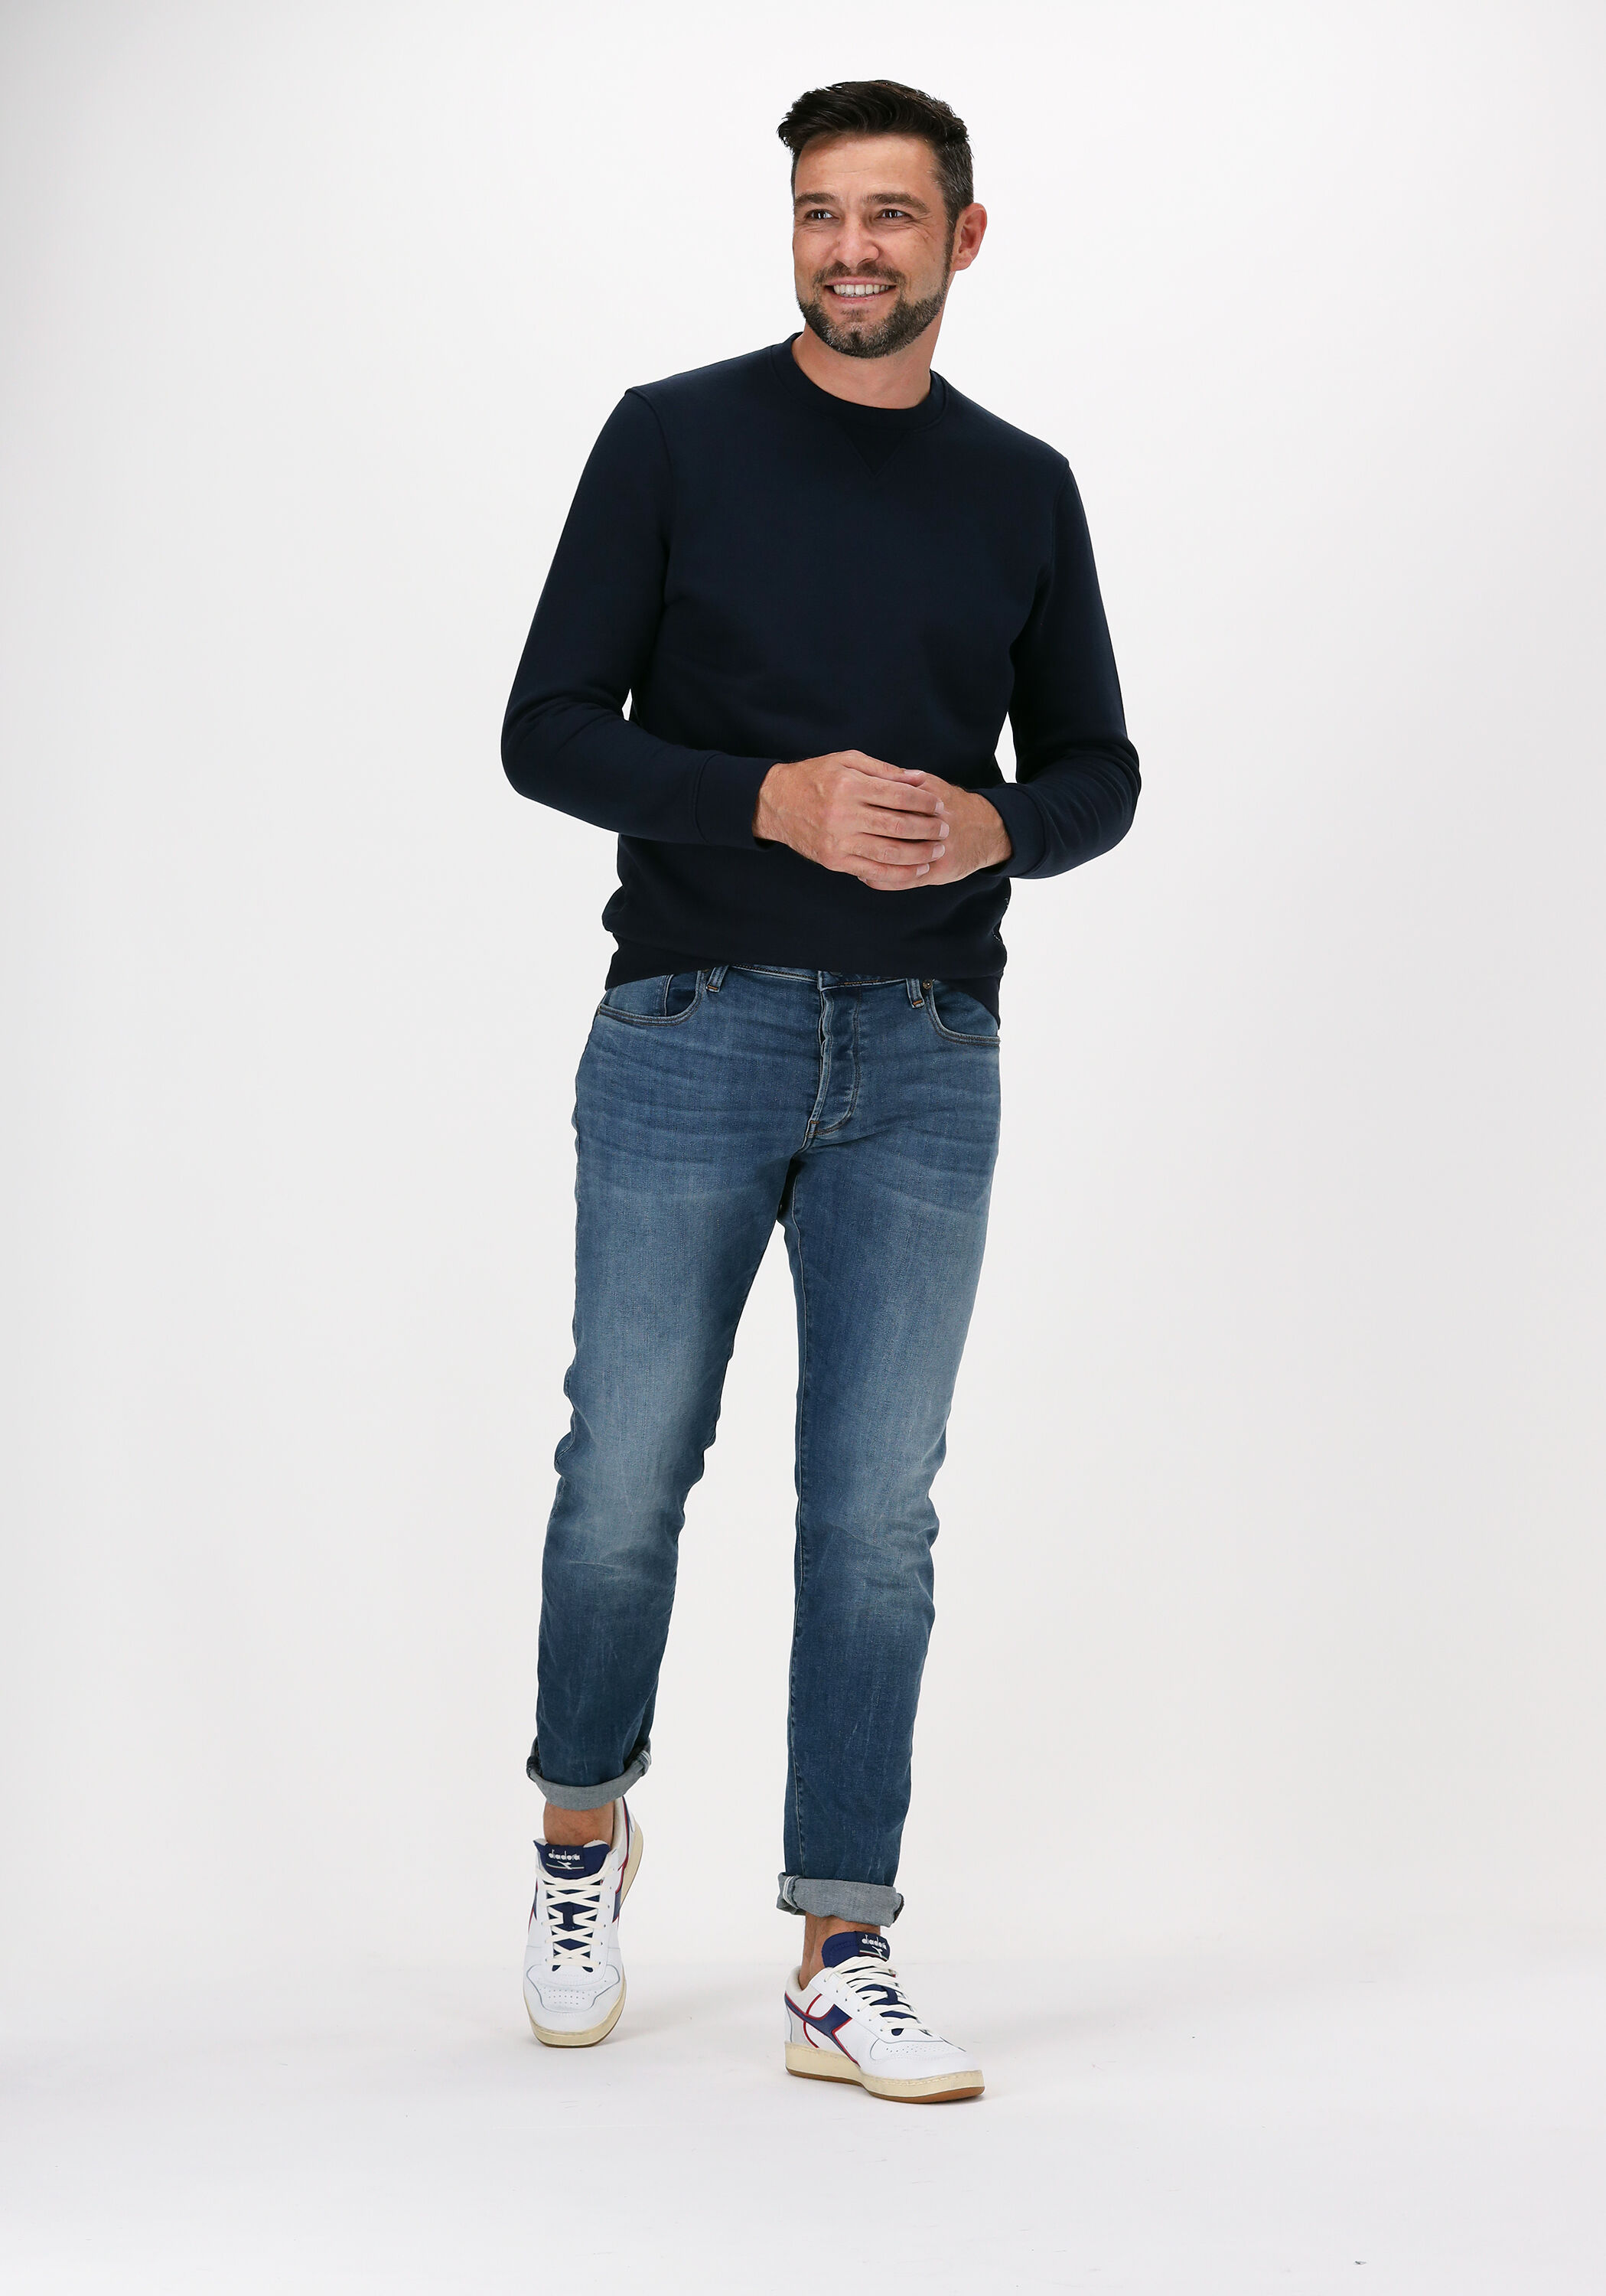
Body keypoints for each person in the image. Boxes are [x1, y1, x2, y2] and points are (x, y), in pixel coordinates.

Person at [501, 78, 1139, 2104]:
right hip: (691, 1023)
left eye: (888, 214)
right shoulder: (672, 437)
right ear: (792, 230)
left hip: (928, 1053)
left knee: (874, 1517)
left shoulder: (1022, 488)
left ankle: (837, 1954)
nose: (848, 247)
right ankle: (579, 1845)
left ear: (964, 237)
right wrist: (758, 800)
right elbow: (542, 729)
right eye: (817, 212)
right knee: (624, 1480)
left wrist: (1000, 826)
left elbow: (1100, 771)